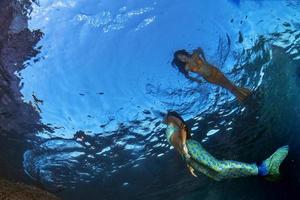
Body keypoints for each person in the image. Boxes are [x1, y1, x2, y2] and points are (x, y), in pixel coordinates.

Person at [163, 111, 289, 181]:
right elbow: (177, 147)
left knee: (217, 167)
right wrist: (188, 163)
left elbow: (183, 127)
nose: (162, 118)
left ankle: (263, 167)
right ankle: (261, 172)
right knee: (217, 176)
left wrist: (185, 145)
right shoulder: (168, 126)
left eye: (163, 115)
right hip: (186, 155)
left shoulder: (170, 117)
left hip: (190, 146)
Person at [172, 48, 251, 102]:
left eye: (181, 55)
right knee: (227, 86)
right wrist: (197, 80)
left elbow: (200, 49)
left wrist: (205, 59)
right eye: (180, 59)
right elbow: (187, 76)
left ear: (184, 53)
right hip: (209, 78)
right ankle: (245, 96)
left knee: (228, 84)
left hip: (215, 71)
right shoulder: (187, 67)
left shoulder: (195, 55)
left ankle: (244, 96)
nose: (182, 58)